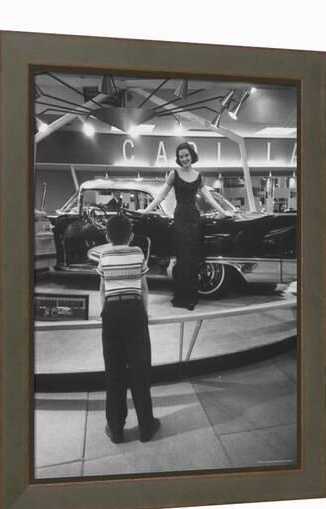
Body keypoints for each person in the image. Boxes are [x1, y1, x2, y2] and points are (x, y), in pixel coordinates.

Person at [141, 142, 234, 310]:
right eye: (181, 156)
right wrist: (145, 211)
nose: (184, 158)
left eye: (186, 155)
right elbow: (161, 196)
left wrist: (223, 212)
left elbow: (208, 198)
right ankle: (182, 297)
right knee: (182, 258)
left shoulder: (199, 176)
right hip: (180, 218)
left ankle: (191, 296)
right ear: (179, 158)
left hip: (194, 218)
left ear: (192, 156)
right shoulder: (173, 174)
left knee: (193, 258)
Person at [97, 214, 160, 444]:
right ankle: (146, 427)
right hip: (134, 310)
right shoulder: (137, 253)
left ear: (107, 236)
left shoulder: (103, 255)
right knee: (140, 370)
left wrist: (104, 314)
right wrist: (143, 313)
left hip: (112, 312)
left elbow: (103, 289)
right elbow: (143, 287)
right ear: (131, 236)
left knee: (114, 372)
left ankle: (115, 429)